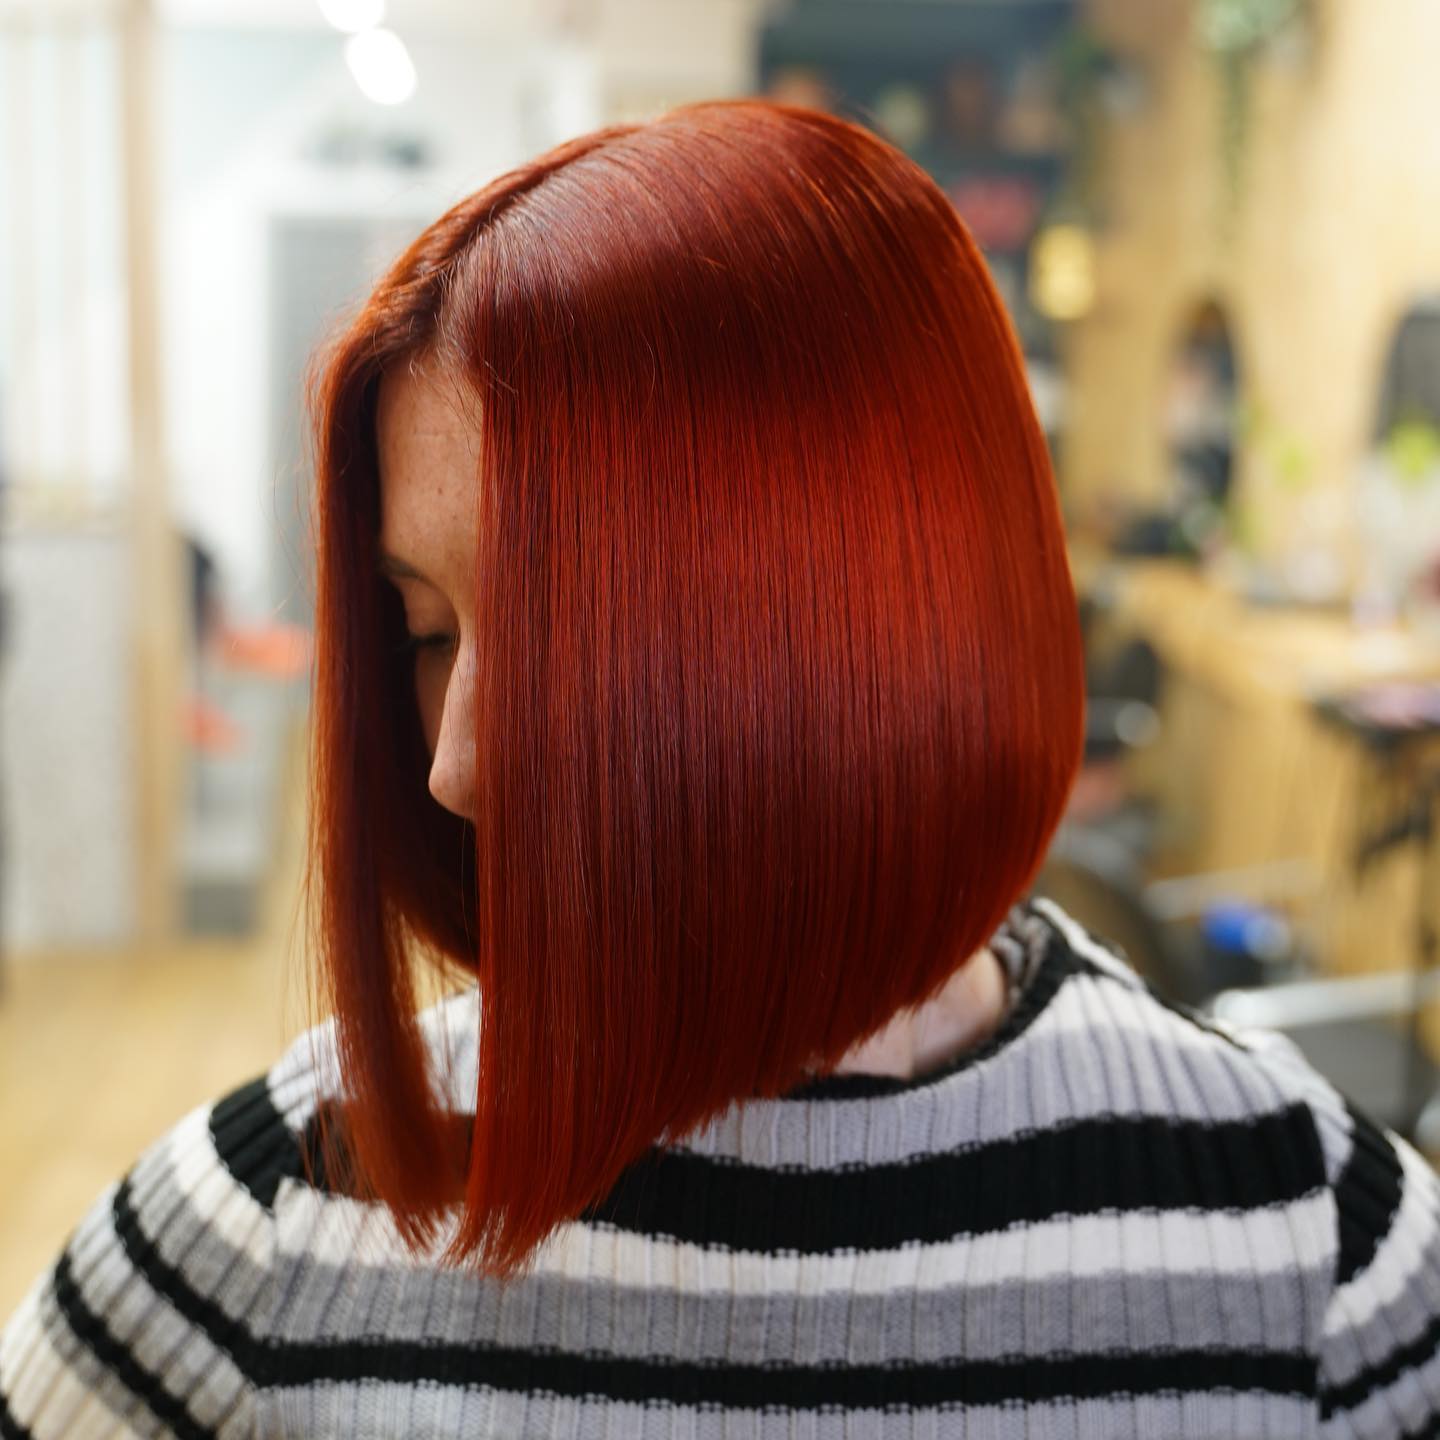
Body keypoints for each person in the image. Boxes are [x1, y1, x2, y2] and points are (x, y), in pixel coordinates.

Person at [2, 97, 1438, 1439]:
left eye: (567, 640)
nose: (454, 766)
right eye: (428, 631)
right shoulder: (280, 1209)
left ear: (864, 627)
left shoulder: (1309, 1245)